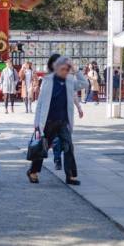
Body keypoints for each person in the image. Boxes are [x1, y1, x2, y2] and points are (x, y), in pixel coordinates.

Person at [28, 56, 85, 185]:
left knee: (69, 147)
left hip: (63, 122)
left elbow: (84, 84)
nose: (65, 70)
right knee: (43, 147)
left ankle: (70, 176)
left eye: (66, 68)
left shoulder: (70, 81)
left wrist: (76, 71)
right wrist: (37, 124)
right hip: (48, 121)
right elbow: (40, 104)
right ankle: (33, 171)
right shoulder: (48, 81)